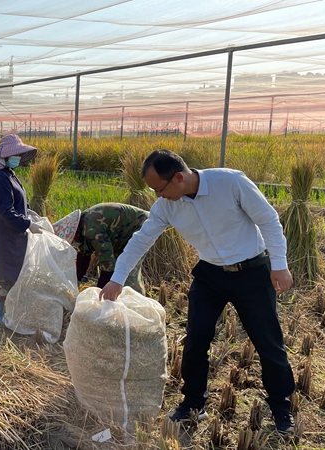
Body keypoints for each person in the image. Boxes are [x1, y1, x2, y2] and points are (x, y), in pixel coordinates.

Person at [99, 149, 295, 433]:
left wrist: (280, 265)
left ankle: (281, 408)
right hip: (210, 274)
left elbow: (268, 220)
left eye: (158, 188)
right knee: (195, 340)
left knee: (269, 343)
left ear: (178, 177)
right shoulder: (167, 205)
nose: (156, 196)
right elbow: (141, 240)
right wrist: (117, 279)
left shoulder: (231, 183)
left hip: (252, 272)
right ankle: (193, 405)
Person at [0, 134, 42, 324]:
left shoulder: (9, 173)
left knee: (14, 271)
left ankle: (10, 309)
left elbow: (14, 204)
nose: (18, 157)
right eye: (15, 154)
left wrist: (28, 214)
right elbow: (5, 211)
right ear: (4, 155)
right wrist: (27, 224)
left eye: (19, 154)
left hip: (14, 231)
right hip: (5, 232)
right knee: (5, 274)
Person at [53, 203, 149, 293]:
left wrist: (100, 292)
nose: (73, 243)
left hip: (142, 226)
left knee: (127, 268)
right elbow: (84, 256)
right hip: (123, 235)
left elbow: (107, 261)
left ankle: (137, 304)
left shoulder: (91, 228)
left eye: (72, 240)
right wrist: (75, 282)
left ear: (74, 233)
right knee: (121, 268)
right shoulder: (83, 226)